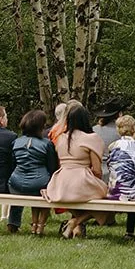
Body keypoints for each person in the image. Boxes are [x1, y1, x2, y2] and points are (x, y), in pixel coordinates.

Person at [43, 102, 108, 238]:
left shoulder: (60, 138)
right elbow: (97, 170)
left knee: (79, 198)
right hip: (81, 179)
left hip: (60, 183)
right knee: (107, 200)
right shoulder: (91, 138)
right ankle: (76, 222)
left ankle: (75, 227)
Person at [6, 109, 58, 235]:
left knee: (23, 190)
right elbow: (52, 167)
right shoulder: (47, 144)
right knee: (47, 187)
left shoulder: (16, 142)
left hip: (16, 184)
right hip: (39, 184)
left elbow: (12, 165)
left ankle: (13, 223)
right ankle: (40, 225)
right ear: (41, 126)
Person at [104, 113, 135, 238]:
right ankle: (131, 231)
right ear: (134, 129)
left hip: (116, 191)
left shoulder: (112, 146)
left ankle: (129, 231)